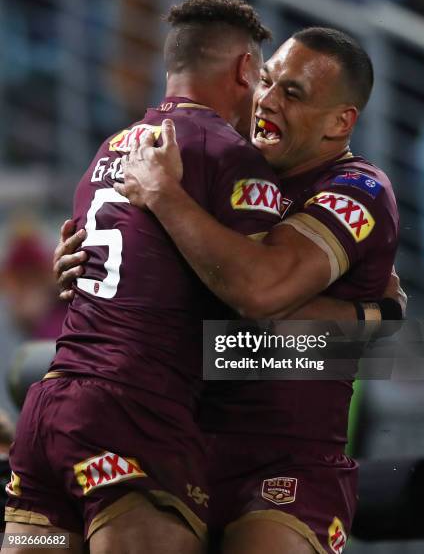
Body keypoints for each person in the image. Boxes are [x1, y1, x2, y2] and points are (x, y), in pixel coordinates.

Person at [55, 27, 401, 554]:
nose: (267, 100)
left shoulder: (359, 189)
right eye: (267, 80)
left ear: (341, 122)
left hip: (285, 462)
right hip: (174, 444)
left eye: (294, 93)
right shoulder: (222, 165)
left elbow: (259, 292)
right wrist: (87, 276)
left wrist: (167, 202)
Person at [2, 0, 285, 554]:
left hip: (53, 410)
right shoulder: (232, 158)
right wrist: (373, 327)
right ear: (245, 69)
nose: (267, 98)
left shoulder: (108, 151)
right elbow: (256, 301)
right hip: (136, 418)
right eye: (269, 80)